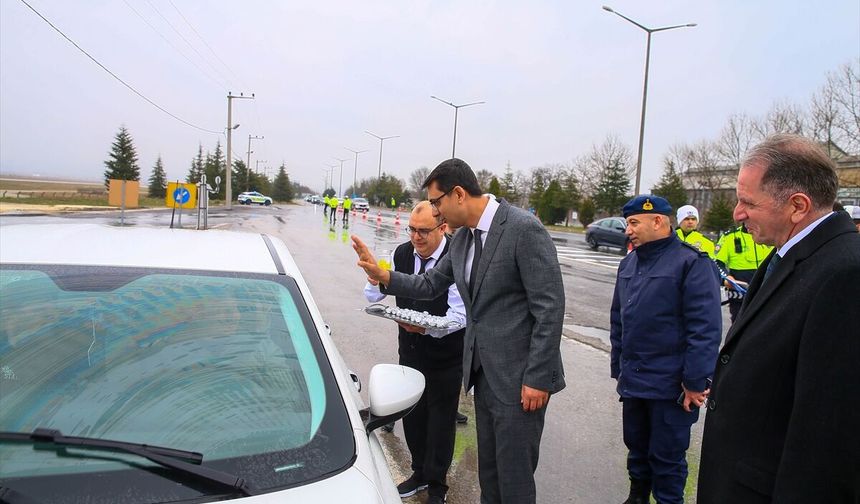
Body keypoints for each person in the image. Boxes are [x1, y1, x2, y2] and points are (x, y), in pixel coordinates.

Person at [352, 158, 565, 504]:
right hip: (484, 375)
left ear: (459, 194)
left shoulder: (522, 229)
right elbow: (430, 283)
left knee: (514, 478)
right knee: (490, 475)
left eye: (437, 203)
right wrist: (383, 276)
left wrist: (539, 377)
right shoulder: (464, 238)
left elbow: (550, 308)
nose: (436, 213)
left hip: (521, 379)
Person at [698, 134, 860, 503]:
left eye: (747, 202)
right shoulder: (789, 253)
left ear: (797, 206)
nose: (737, 213)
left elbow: (830, 438)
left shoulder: (846, 274)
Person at [610, 195, 722, 504]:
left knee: (667, 457)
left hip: (671, 386)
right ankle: (636, 497)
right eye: (628, 223)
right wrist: (618, 368)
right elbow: (619, 319)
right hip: (635, 380)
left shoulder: (691, 262)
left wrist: (695, 382)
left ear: (658, 221)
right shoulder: (629, 263)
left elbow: (705, 329)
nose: (628, 230)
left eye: (634, 223)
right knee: (636, 447)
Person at [364, 201, 466, 504]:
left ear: (442, 227)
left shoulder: (456, 256)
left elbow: (459, 316)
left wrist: (426, 329)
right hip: (410, 351)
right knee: (413, 416)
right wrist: (375, 279)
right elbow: (375, 294)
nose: (416, 237)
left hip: (446, 357)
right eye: (411, 229)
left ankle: (437, 486)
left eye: (423, 231)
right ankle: (418, 472)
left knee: (440, 423)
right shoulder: (402, 254)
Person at [714, 223, 773, 322]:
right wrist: (727, 278)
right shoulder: (729, 237)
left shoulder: (771, 233)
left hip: (766, 292)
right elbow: (717, 263)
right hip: (739, 294)